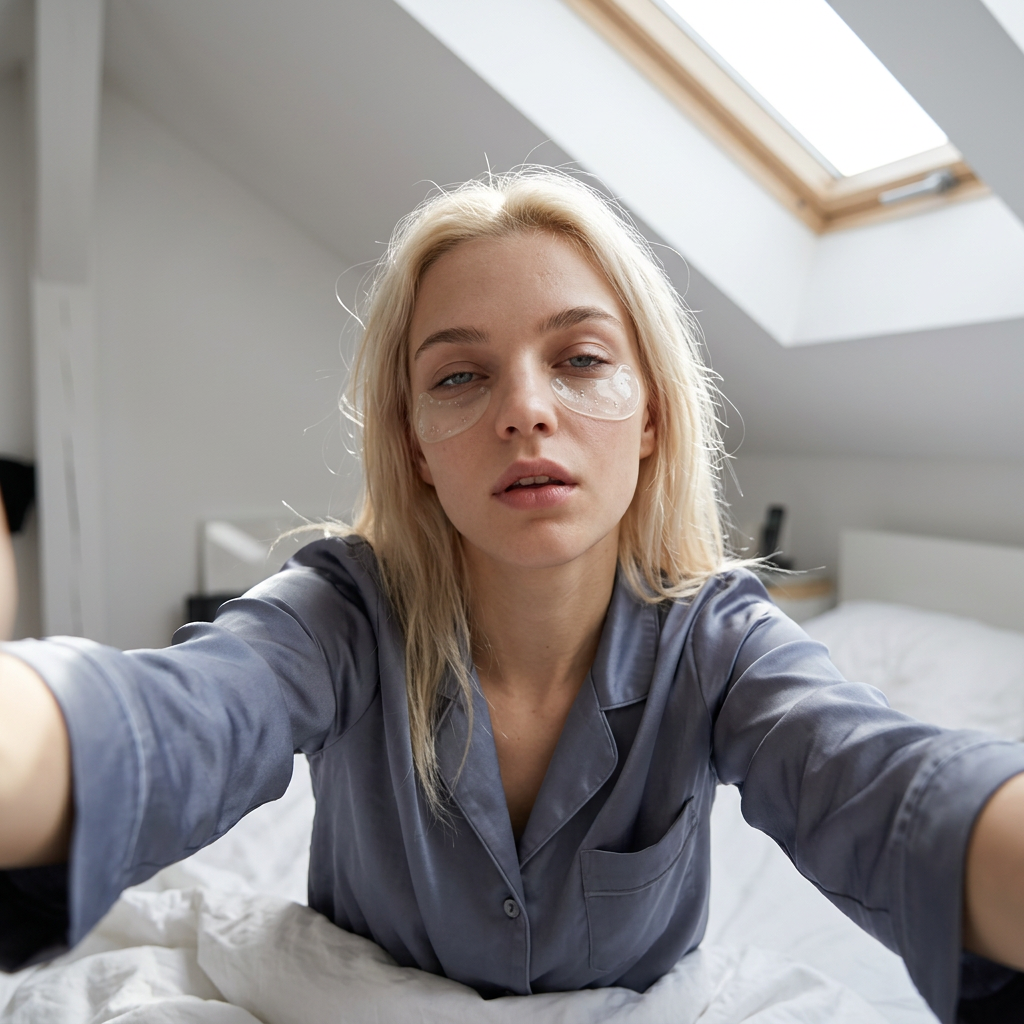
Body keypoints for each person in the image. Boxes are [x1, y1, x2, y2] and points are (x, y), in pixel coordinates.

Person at [1, 169, 1024, 1023]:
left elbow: (883, 787)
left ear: (653, 416)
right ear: (416, 447)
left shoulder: (718, 642)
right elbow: (172, 721)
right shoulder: (338, 616)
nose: (525, 409)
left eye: (579, 360)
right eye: (458, 378)